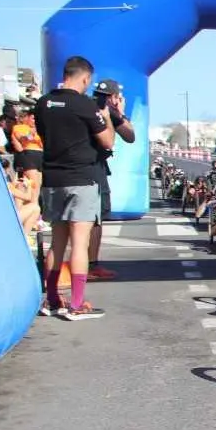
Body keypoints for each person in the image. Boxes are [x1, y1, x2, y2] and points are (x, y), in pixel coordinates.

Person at [36, 55, 116, 320]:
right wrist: (106, 116)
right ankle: (76, 304)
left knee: (56, 243)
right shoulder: (84, 104)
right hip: (81, 178)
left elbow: (44, 136)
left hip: (52, 178)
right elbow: (107, 142)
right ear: (85, 78)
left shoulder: (43, 103)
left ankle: (51, 300)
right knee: (79, 243)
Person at [87, 79, 137, 280]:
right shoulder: (108, 110)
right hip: (94, 167)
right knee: (95, 218)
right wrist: (120, 112)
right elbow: (130, 135)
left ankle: (79, 265)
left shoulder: (85, 105)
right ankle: (91, 264)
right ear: (114, 97)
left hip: (69, 167)